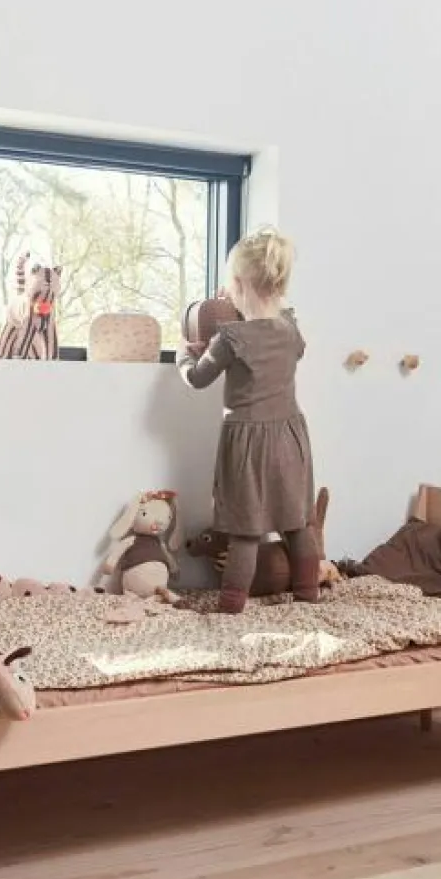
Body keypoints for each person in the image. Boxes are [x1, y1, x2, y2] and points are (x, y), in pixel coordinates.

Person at [177, 228, 318, 614]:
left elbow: (197, 378)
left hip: (248, 446)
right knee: (297, 523)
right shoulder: (290, 329)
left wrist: (183, 355)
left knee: (245, 531)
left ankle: (231, 607)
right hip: (290, 437)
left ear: (237, 284)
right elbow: (284, 344)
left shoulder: (230, 339)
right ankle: (309, 597)